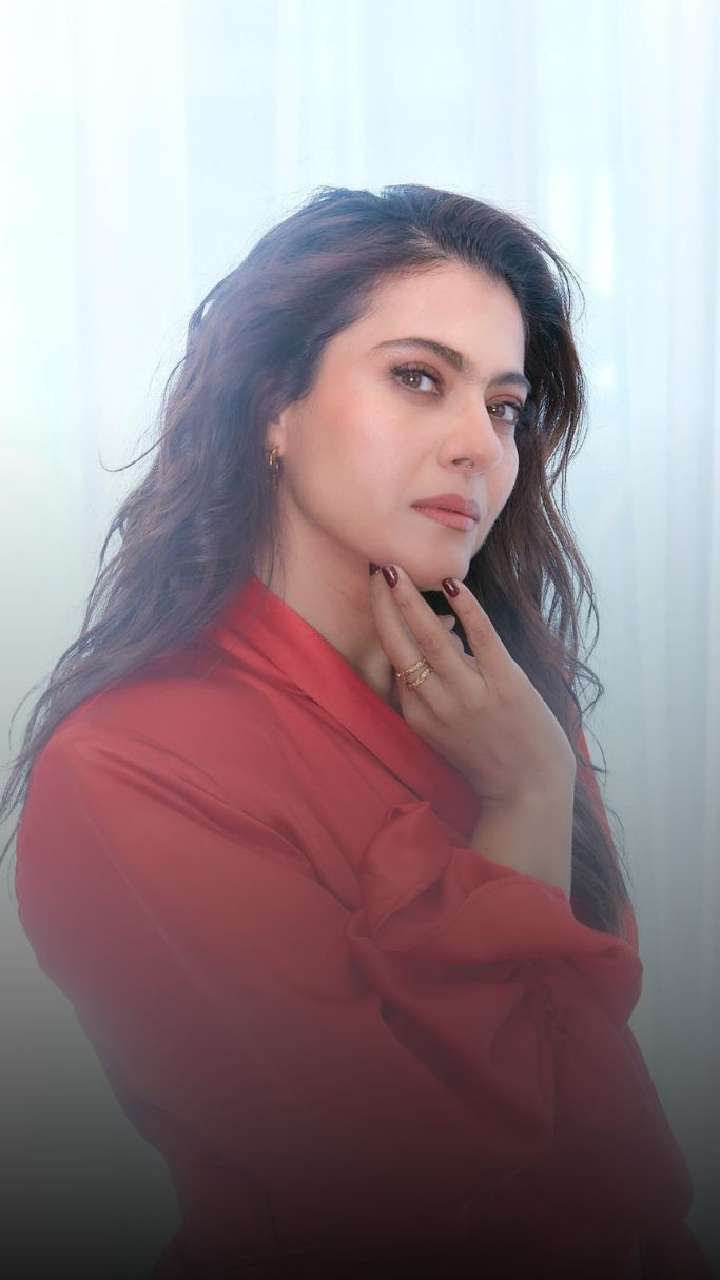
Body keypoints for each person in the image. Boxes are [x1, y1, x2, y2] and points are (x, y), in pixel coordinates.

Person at [3, 185, 713, 1278]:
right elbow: (421, 1207)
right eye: (419, 378)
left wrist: (533, 774)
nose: (478, 445)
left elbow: (621, 1143)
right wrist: (526, 806)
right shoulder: (126, 772)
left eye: (506, 407)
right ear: (272, 407)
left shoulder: (515, 714)